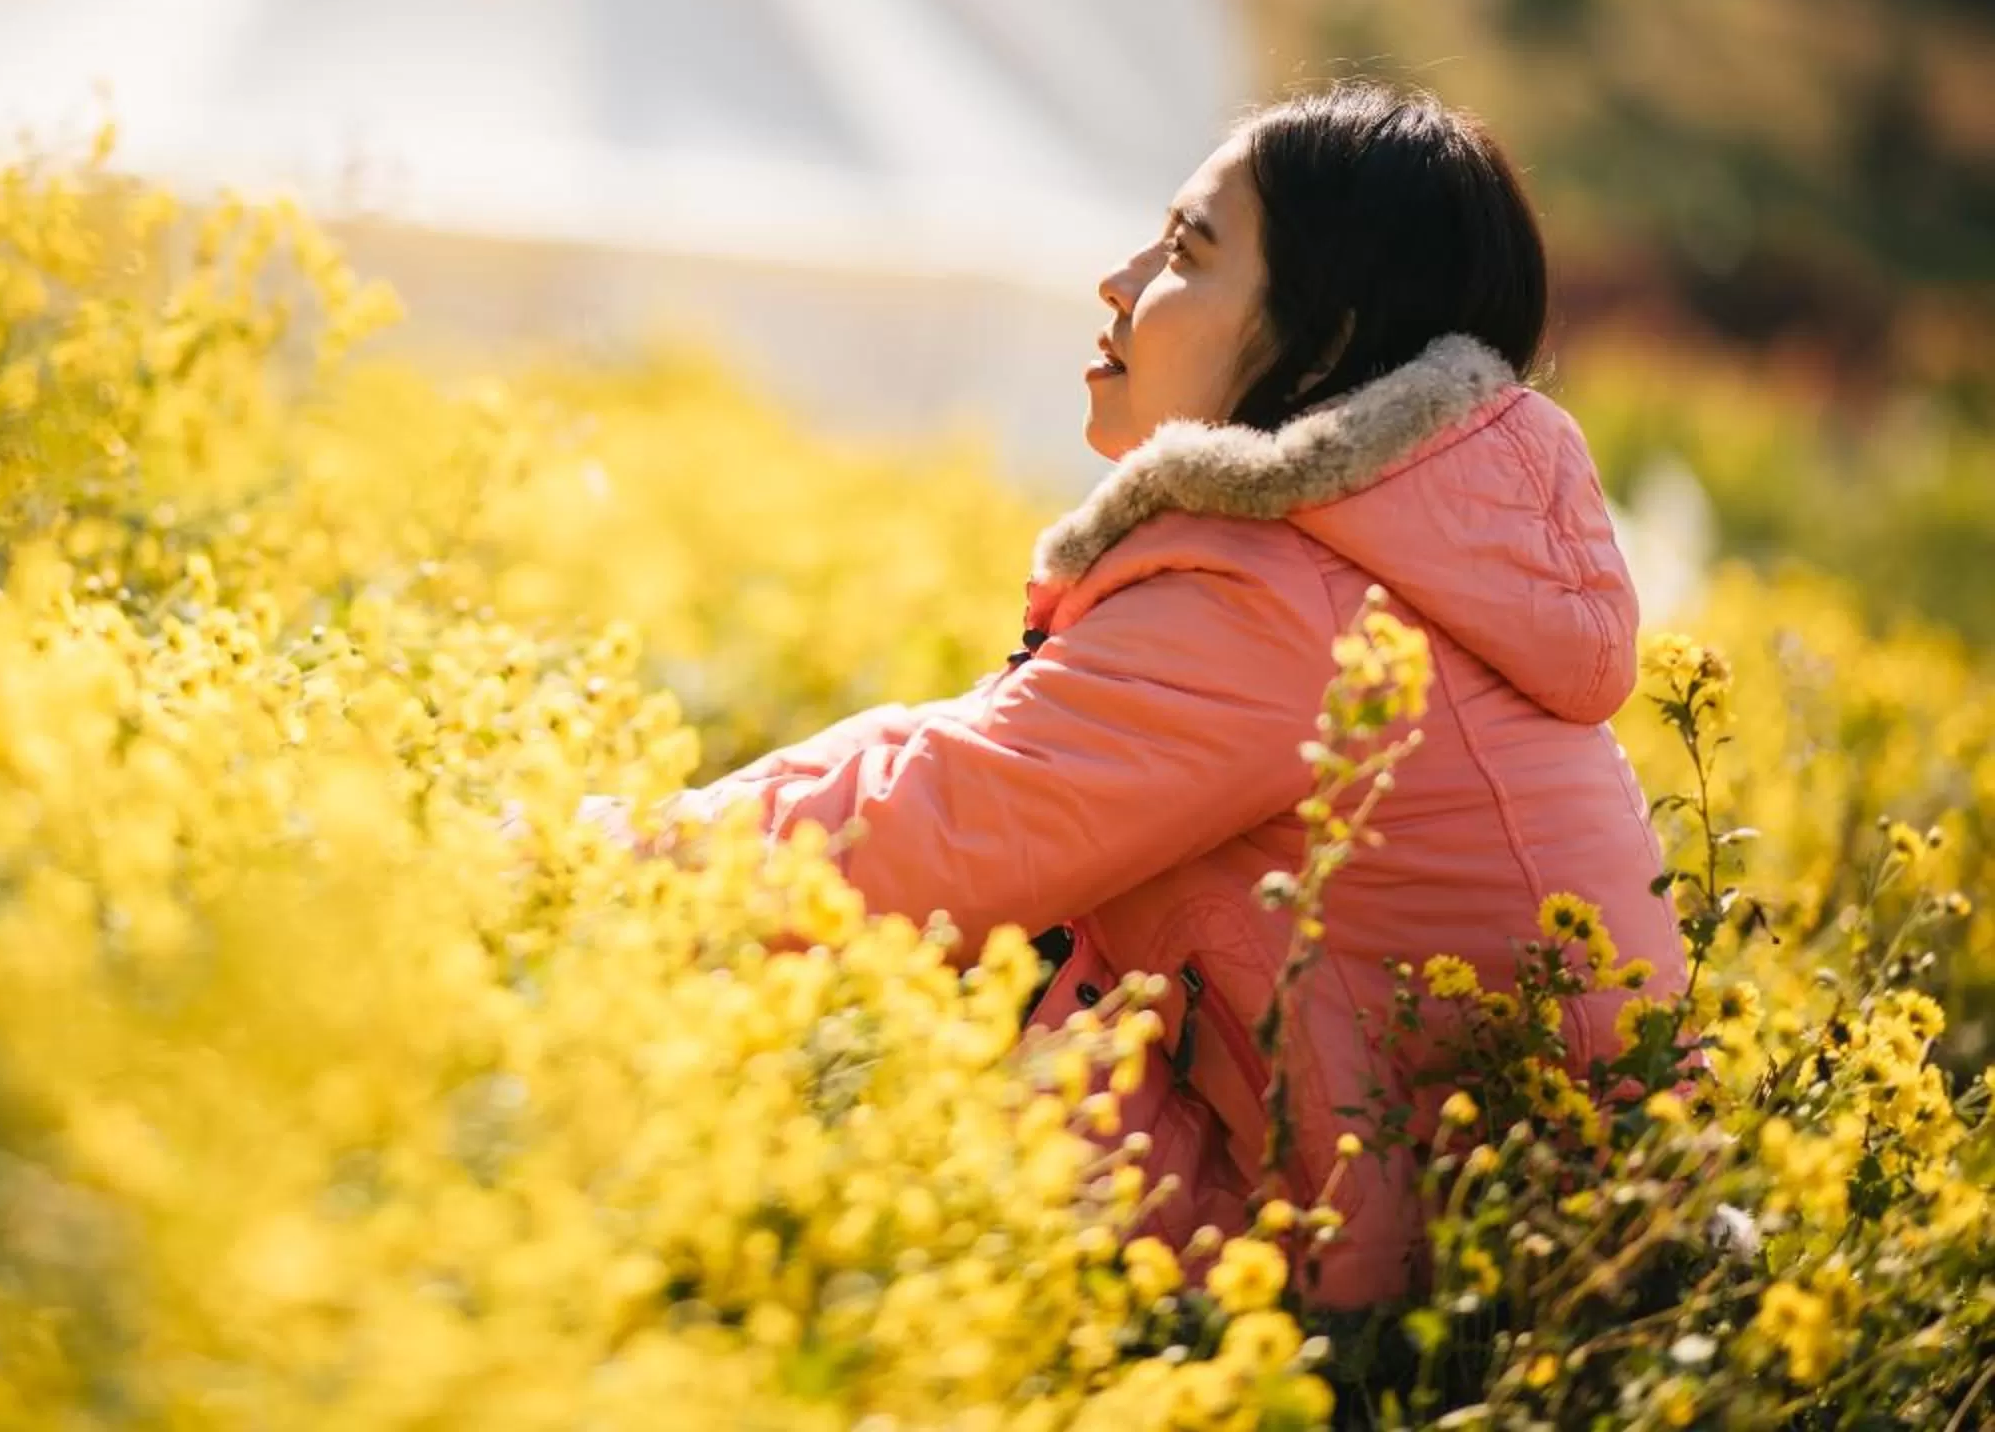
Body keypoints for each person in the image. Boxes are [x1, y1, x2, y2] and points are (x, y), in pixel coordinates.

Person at [666, 80, 1687, 1309]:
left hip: (1361, 1280)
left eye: (1186, 251)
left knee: (860, 994)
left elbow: (932, 830)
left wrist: (576, 871)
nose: (1120, 277)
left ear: (1320, 343)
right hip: (1517, 1240)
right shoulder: (1394, 551)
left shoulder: (1286, 597)